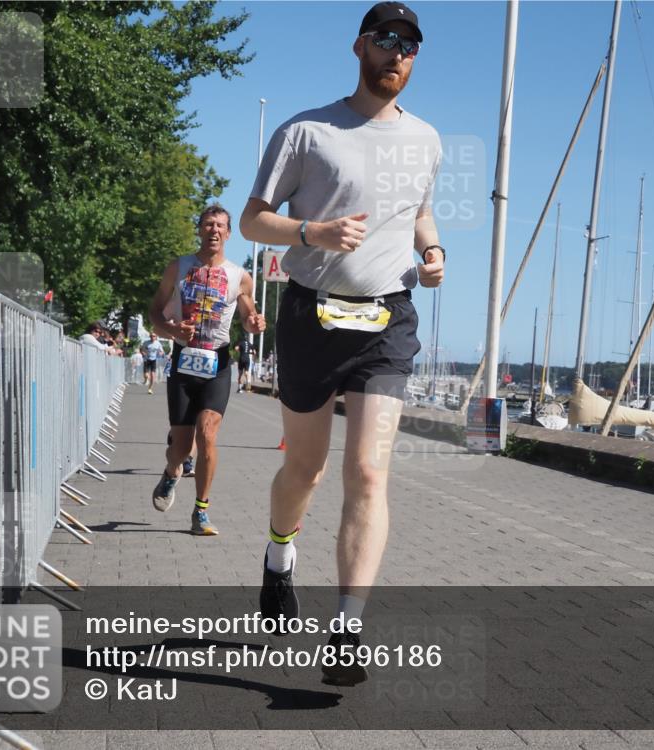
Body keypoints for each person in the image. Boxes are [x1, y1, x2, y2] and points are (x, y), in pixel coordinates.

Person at [240, 1, 444, 685]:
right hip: (310, 316)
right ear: (360, 46)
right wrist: (311, 233)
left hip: (387, 320)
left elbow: (418, 210)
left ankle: (348, 630)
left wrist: (433, 249)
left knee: (369, 473)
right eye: (387, 41)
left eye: (410, 47)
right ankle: (277, 554)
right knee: (307, 471)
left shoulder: (426, 140)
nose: (398, 56)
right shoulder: (308, 132)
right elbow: (253, 220)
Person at [148, 204, 266, 535]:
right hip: (184, 362)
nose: (214, 230)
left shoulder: (239, 276)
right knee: (183, 449)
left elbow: (247, 315)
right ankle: (172, 472)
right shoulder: (179, 267)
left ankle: (200, 512)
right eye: (208, 224)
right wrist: (172, 331)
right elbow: (155, 310)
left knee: (208, 435)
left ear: (229, 234)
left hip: (218, 362)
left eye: (221, 226)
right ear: (199, 229)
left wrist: (254, 323)